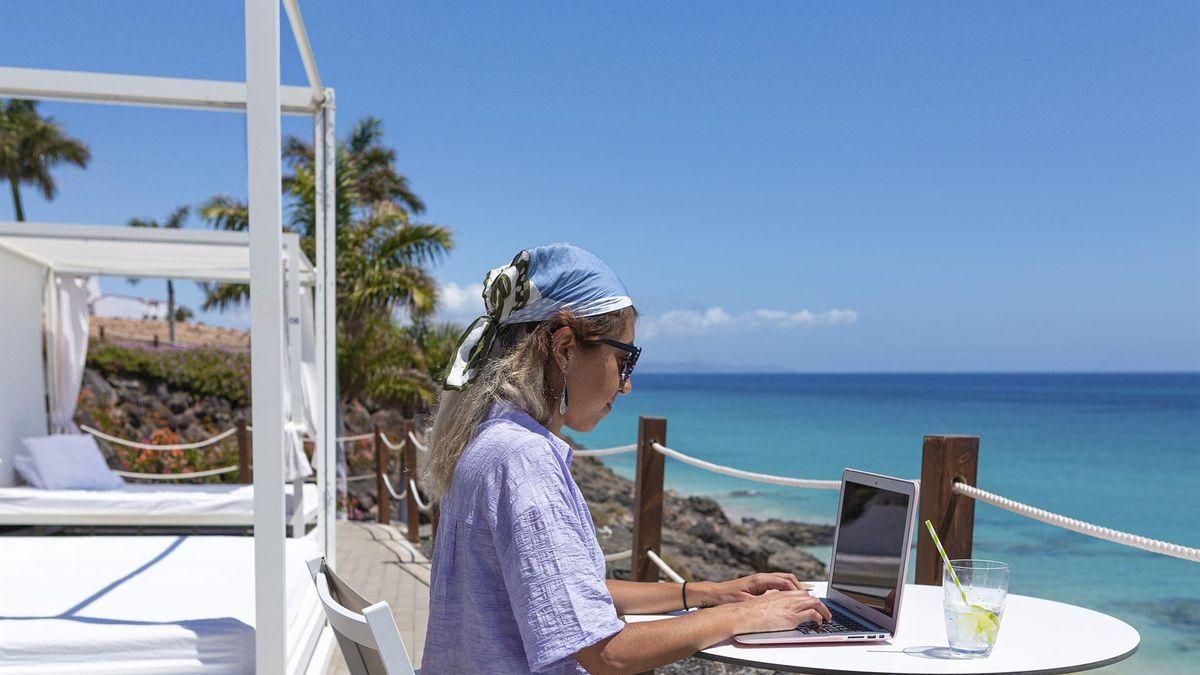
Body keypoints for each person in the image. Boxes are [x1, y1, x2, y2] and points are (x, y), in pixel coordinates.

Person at [421, 244, 829, 674]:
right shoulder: (524, 460)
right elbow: (607, 654)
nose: (627, 385)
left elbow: (568, 595)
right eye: (624, 359)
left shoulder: (490, 440)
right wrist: (746, 616)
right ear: (563, 348)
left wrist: (709, 592)